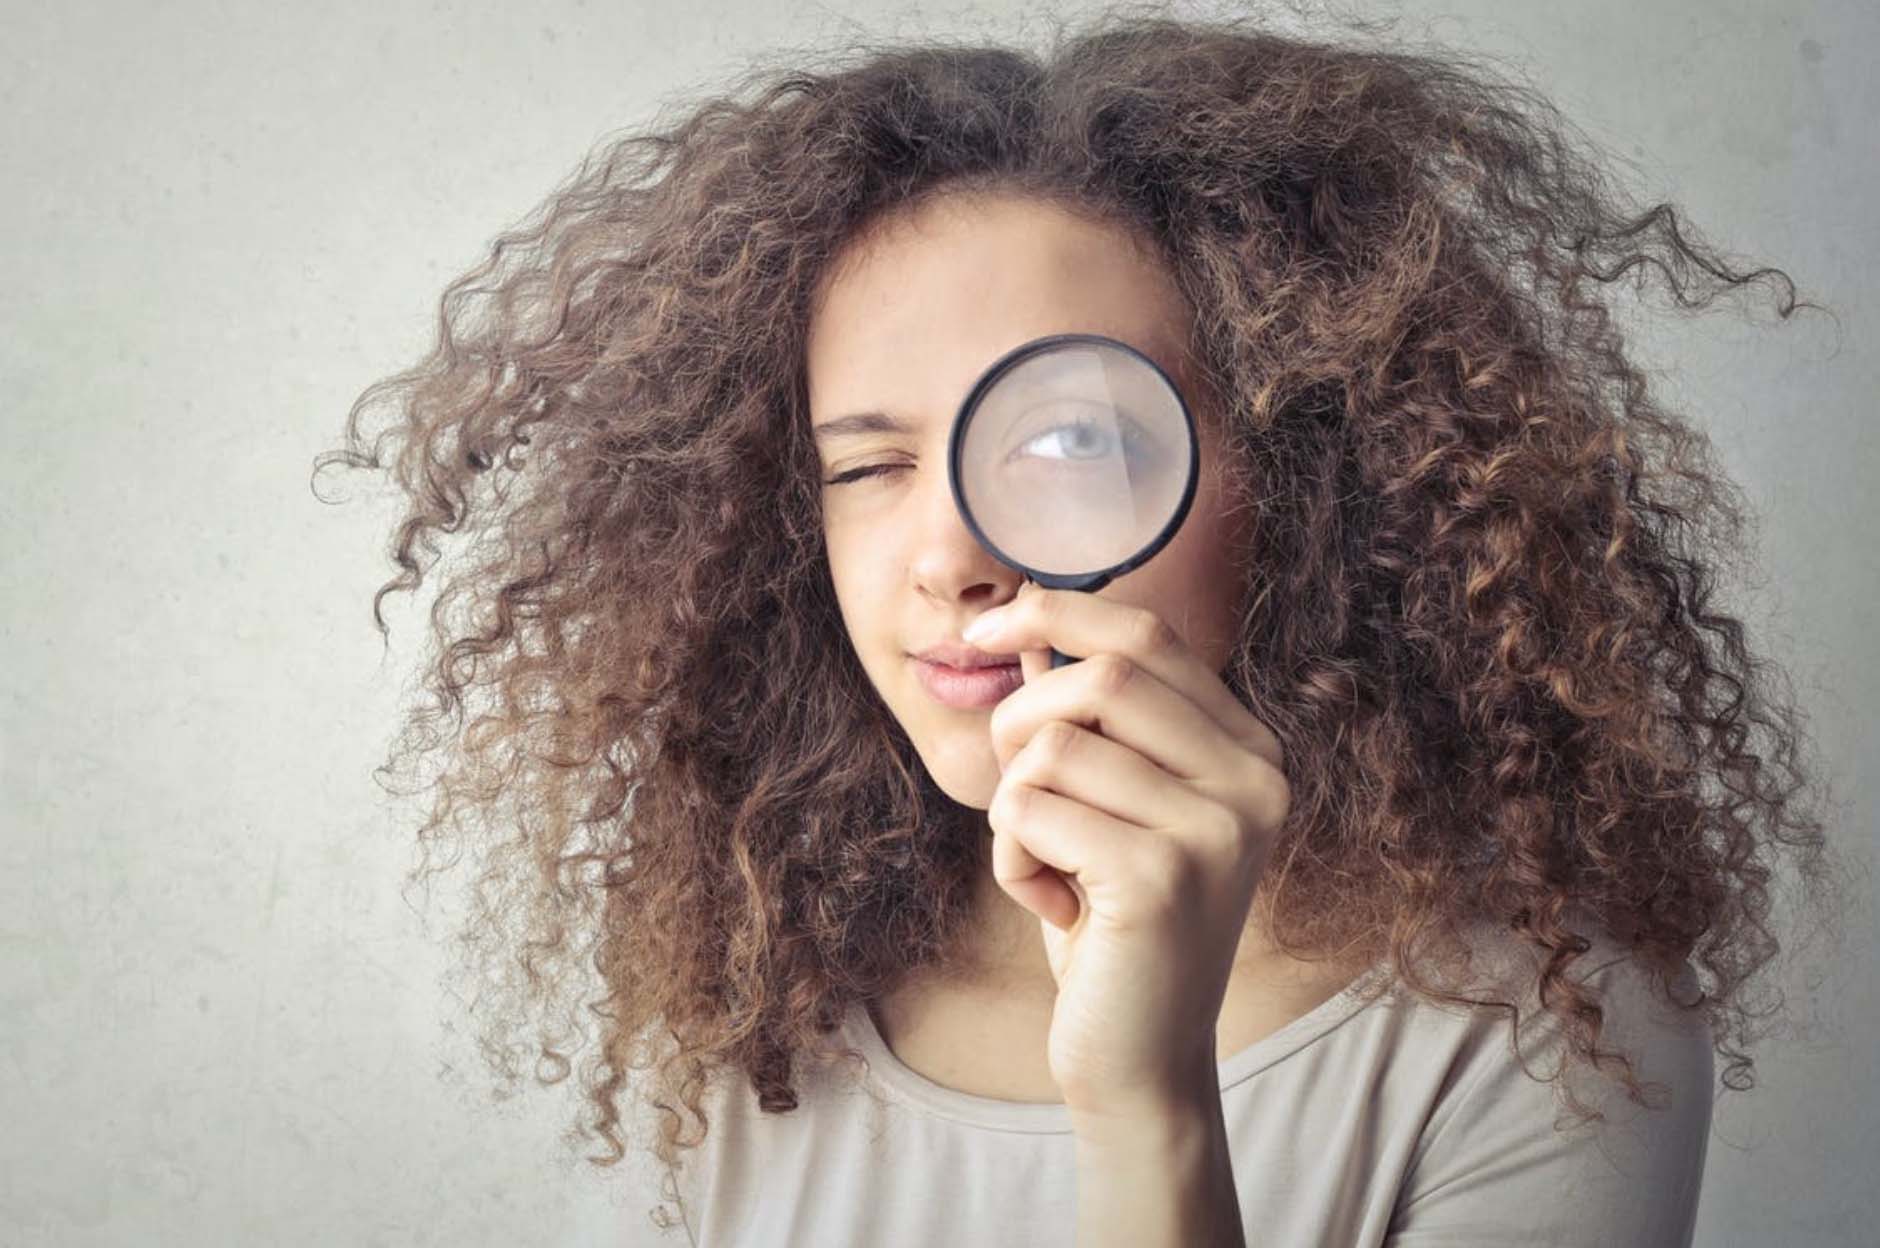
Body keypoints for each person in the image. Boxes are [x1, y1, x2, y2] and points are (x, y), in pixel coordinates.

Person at [311, 8, 1851, 1246]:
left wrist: (1148, 1103)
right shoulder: (769, 1001)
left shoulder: (1550, 1046)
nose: (954, 558)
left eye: (1070, 443)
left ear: (1301, 483)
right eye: (865, 466)